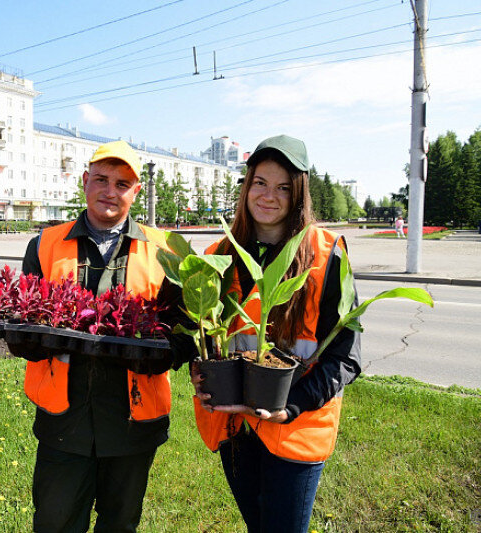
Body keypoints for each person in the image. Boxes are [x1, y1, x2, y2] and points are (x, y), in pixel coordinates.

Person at [190, 135, 362, 533]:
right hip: (237, 426)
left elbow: (346, 357)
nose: (269, 196)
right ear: (246, 186)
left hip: (296, 428)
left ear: (299, 193)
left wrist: (292, 406)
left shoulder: (327, 254)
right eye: (260, 183)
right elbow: (200, 336)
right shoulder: (220, 255)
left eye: (283, 187)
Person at [21, 140, 173, 532]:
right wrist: (33, 340)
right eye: (102, 179)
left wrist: (156, 352)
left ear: (136, 192)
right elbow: (22, 327)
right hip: (63, 420)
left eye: (123, 183)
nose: (110, 190)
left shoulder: (165, 250)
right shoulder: (44, 244)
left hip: (132, 421)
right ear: (84, 181)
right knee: (55, 522)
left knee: (119, 524)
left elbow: (183, 335)